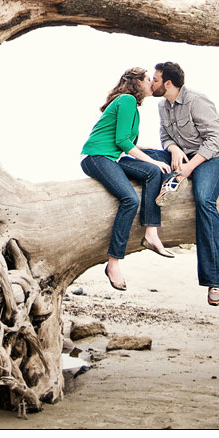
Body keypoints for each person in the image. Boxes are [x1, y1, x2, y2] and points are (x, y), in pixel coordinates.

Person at [151, 61, 219, 307]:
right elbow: (165, 136)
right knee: (144, 158)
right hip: (187, 155)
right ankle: (165, 188)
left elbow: (215, 139)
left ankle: (215, 279)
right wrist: (174, 150)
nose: (151, 83)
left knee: (203, 199)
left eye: (155, 79)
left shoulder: (197, 101)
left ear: (168, 83)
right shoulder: (162, 105)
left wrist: (188, 169)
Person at [80, 67, 176, 292]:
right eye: (148, 79)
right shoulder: (126, 100)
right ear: (138, 83)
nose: (152, 83)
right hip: (96, 157)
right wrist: (152, 160)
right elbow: (123, 141)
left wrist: (153, 154)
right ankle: (113, 263)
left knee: (154, 172)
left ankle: (151, 233)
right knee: (130, 200)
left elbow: (127, 142)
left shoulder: (132, 106)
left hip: (111, 158)